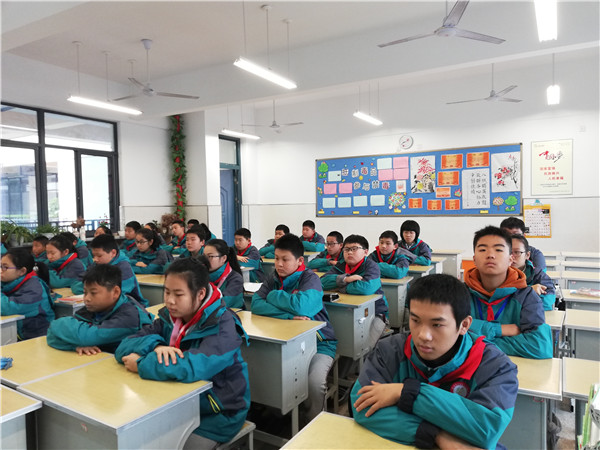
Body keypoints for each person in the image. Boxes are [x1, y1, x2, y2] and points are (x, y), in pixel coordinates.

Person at [351, 274, 518, 449]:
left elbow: (486, 430)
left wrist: (406, 392)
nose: (423, 335)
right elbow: (361, 405)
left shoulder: (496, 366)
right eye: (415, 320)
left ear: (464, 325)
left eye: (437, 325)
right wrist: (436, 435)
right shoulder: (389, 351)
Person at [115, 258, 250, 448]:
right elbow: (125, 345)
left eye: (178, 294)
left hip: (218, 412)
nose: (170, 300)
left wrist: (142, 364)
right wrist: (156, 346)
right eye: (167, 292)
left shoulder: (222, 324)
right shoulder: (168, 317)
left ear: (200, 293)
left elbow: (194, 366)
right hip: (174, 402)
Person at [251, 234, 337, 422]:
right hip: (285, 342)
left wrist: (273, 296)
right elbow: (256, 304)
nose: (279, 264)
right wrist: (288, 316)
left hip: (319, 343)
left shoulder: (310, 279)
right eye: (276, 258)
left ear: (299, 261)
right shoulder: (273, 278)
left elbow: (302, 307)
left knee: (314, 383)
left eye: (285, 259)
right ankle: (284, 417)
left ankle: (315, 424)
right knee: (267, 375)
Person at [464, 226, 552, 359]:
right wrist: (500, 329)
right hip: (468, 368)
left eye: (498, 250)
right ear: (474, 259)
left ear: (511, 259)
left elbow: (540, 346)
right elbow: (448, 334)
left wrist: (475, 339)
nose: (490, 255)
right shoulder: (460, 293)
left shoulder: (526, 296)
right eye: (482, 249)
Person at [47, 264, 153, 354]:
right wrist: (75, 346)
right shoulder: (95, 307)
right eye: (85, 292)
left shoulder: (130, 316)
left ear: (115, 292)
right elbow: (51, 335)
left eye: (93, 293)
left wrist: (57, 325)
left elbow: (86, 337)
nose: (86, 298)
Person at [321, 234, 388, 351]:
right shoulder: (341, 265)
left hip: (375, 313)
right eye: (346, 249)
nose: (350, 253)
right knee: (344, 344)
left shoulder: (371, 266)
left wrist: (340, 287)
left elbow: (366, 288)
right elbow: (322, 282)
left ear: (365, 252)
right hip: (347, 311)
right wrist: (346, 279)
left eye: (354, 249)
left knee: (364, 348)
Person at [71, 234, 149, 307]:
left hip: (130, 307)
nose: (95, 259)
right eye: (94, 256)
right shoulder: (96, 265)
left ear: (113, 253)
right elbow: (75, 284)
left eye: (99, 256)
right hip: (102, 306)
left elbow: (113, 296)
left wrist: (90, 290)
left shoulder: (124, 268)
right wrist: (93, 291)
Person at [1, 248, 55, 340]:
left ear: (22, 271)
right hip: (18, 334)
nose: (0, 270)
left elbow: (7, 308)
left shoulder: (35, 288)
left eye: (5, 267)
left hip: (38, 339)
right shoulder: (9, 283)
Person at [511, 234, 556, 311]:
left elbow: (547, 301)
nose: (511, 257)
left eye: (517, 252)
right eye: (508, 252)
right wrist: (529, 291)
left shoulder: (538, 275)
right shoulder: (496, 275)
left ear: (527, 255)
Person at [202, 239, 244, 309]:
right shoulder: (201, 275)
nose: (205, 260)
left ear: (223, 258)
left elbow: (223, 303)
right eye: (204, 256)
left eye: (210, 256)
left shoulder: (235, 279)